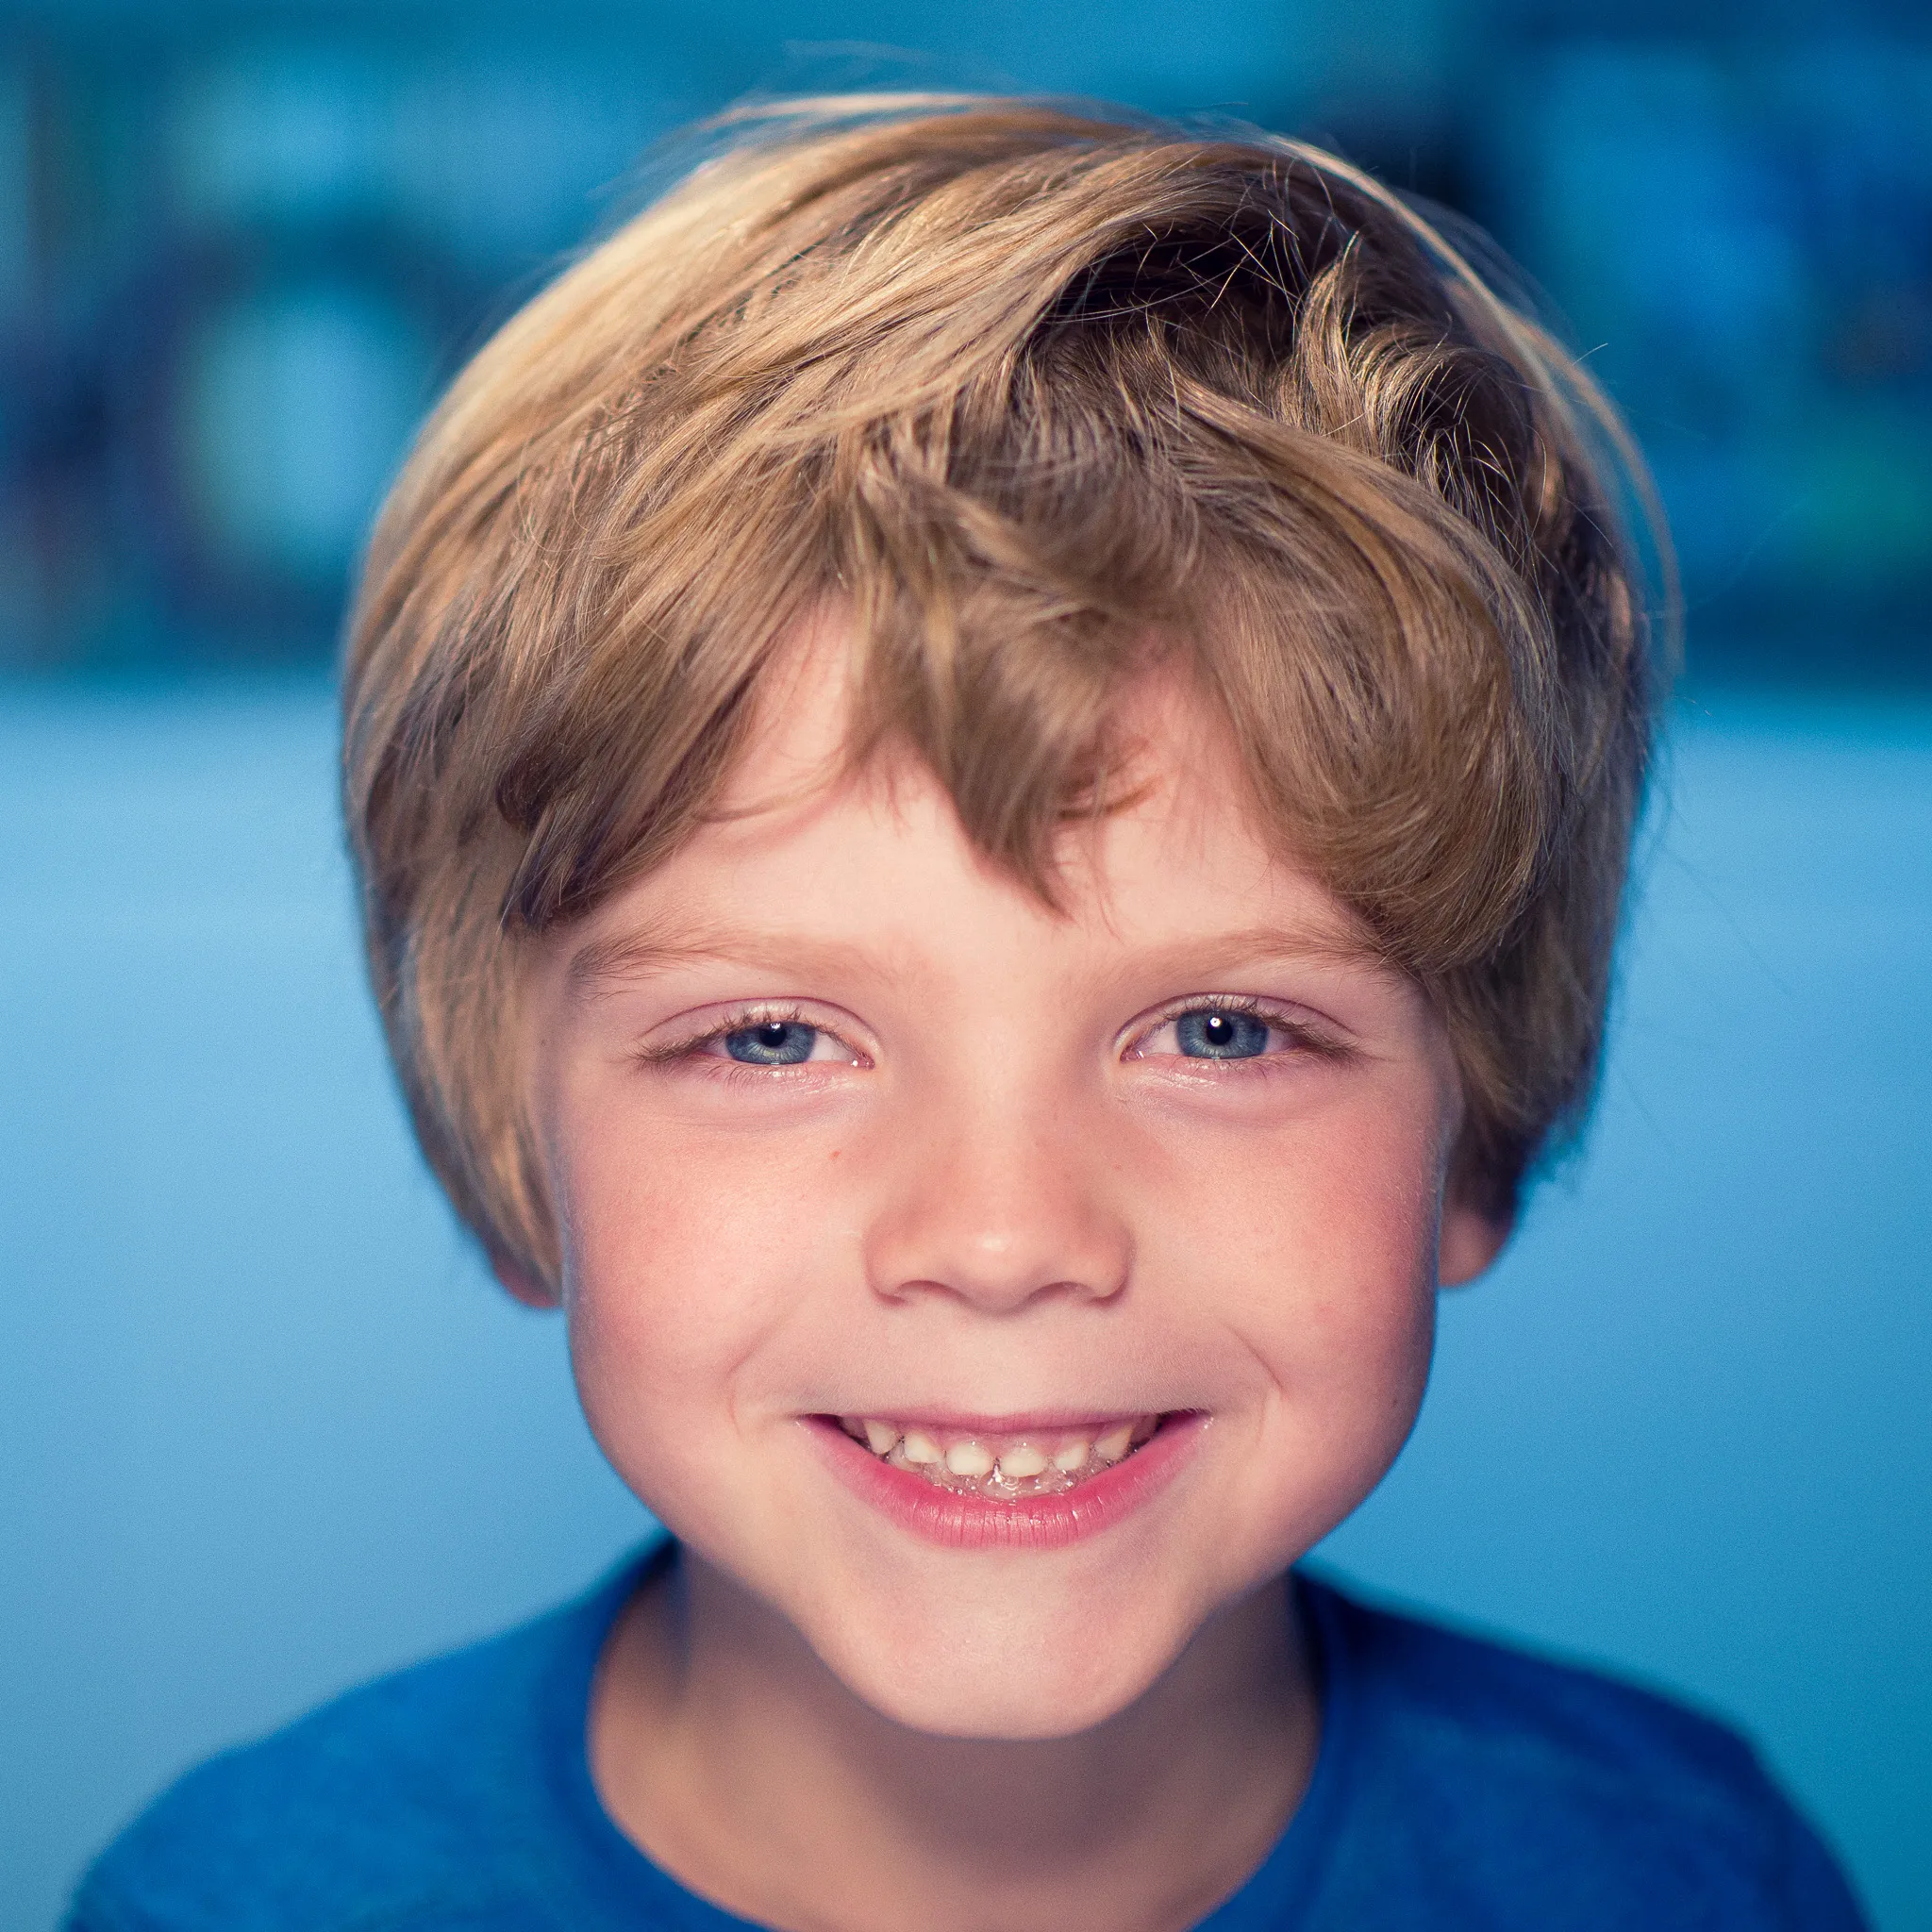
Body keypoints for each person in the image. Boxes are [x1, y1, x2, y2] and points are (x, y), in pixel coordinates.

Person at [69, 98, 1868, 1931]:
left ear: (1468, 1127)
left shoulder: (1682, 1874)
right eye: (771, 1038)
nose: (1002, 1238)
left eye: (1221, 1032)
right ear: (513, 1142)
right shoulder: (240, 1897)